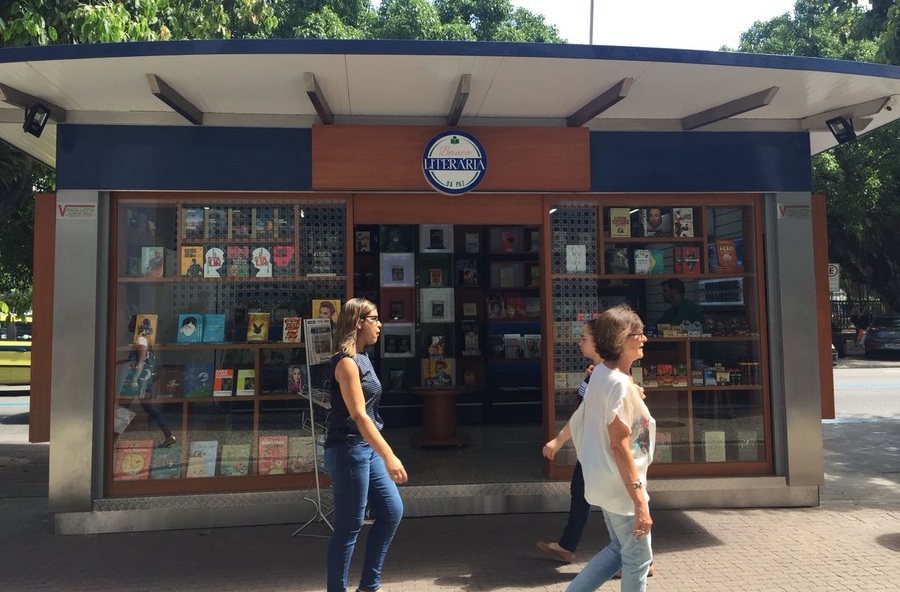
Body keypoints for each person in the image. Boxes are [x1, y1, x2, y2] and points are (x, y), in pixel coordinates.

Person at [566, 304, 655, 592]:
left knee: (620, 549)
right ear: (621, 338)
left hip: (604, 481)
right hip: (623, 487)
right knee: (638, 559)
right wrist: (640, 501)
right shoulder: (618, 383)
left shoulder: (602, 374)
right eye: (638, 333)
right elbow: (619, 446)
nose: (644, 338)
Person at [324, 298, 406, 592]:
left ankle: (368, 586)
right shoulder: (345, 363)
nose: (380, 324)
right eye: (374, 319)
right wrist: (390, 456)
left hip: (365, 449)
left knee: (391, 511)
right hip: (348, 450)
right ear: (358, 323)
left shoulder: (363, 356)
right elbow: (359, 415)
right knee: (349, 526)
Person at [537, 319, 604, 563]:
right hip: (593, 447)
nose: (579, 342)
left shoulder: (604, 375)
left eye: (584, 338)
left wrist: (558, 440)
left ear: (599, 343)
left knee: (613, 504)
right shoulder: (597, 372)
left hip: (601, 448)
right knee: (583, 492)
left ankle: (638, 558)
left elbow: (581, 414)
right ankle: (567, 544)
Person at [125, 316, 176, 448]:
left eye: (131, 322)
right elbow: (160, 371)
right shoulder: (147, 341)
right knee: (149, 409)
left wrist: (135, 380)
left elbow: (140, 361)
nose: (128, 325)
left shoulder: (140, 340)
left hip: (136, 382)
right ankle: (168, 434)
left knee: (121, 409)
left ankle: (111, 440)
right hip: (143, 382)